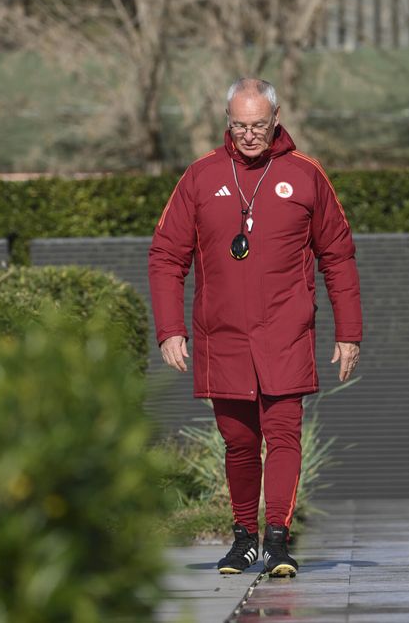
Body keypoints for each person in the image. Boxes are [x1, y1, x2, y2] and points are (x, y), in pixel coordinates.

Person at [148, 78, 362, 578]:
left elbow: (339, 256)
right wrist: (169, 328)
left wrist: (349, 332)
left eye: (259, 125)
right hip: (222, 336)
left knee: (283, 434)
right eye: (240, 125)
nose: (249, 135)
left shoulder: (306, 175)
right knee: (239, 441)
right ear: (227, 120)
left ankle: (278, 541)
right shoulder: (200, 177)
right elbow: (165, 256)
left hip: (287, 333)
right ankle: (244, 538)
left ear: (277, 117)